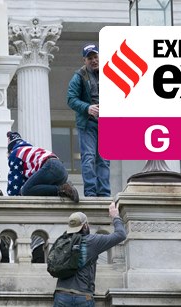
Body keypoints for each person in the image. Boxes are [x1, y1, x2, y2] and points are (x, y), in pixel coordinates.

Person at [67, 44, 109, 198]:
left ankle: (104, 193)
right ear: (84, 60)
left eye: (96, 57)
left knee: (104, 159)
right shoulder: (79, 76)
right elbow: (71, 99)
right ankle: (91, 192)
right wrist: (87, 108)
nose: (94, 60)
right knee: (89, 157)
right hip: (87, 123)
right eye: (90, 58)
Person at [6, 131, 78, 202]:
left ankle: (63, 189)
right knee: (39, 190)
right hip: (62, 171)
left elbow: (14, 179)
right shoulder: (30, 150)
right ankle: (66, 189)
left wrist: (13, 197)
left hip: (51, 166)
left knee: (26, 190)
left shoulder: (16, 153)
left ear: (11, 149)